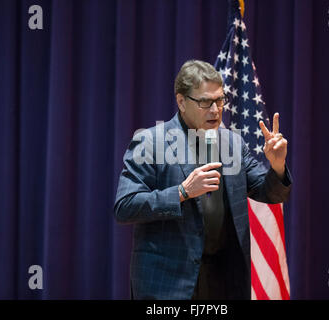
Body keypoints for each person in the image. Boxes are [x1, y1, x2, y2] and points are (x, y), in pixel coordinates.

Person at [114, 60, 292, 299]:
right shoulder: (151, 142)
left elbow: (270, 192)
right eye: (205, 102)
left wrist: (277, 165)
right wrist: (182, 191)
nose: (216, 110)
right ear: (181, 101)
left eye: (220, 100)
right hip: (168, 284)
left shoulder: (233, 143)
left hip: (223, 282)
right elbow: (125, 206)